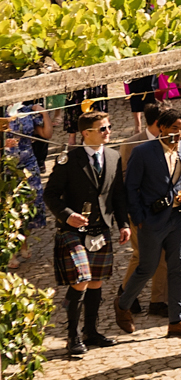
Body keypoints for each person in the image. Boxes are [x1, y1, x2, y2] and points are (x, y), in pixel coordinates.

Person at [113, 105, 181, 338]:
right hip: (151, 220)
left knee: (178, 268)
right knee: (147, 267)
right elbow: (130, 187)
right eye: (174, 129)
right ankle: (123, 304)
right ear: (161, 127)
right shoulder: (143, 152)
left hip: (179, 218)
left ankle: (178, 321)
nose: (178, 134)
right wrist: (139, 218)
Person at [47, 110, 128, 358]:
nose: (108, 132)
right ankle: (72, 336)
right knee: (80, 281)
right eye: (102, 128)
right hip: (73, 230)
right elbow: (49, 194)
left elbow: (118, 195)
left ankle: (91, 332)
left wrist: (123, 224)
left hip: (100, 229)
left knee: (96, 282)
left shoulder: (113, 157)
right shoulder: (68, 159)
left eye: (109, 126)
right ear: (86, 133)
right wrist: (67, 214)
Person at [8, 101, 52, 227]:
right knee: (10, 206)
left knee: (32, 203)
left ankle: (25, 243)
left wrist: (44, 113)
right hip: (6, 165)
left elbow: (46, 134)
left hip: (28, 163)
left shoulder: (26, 111)